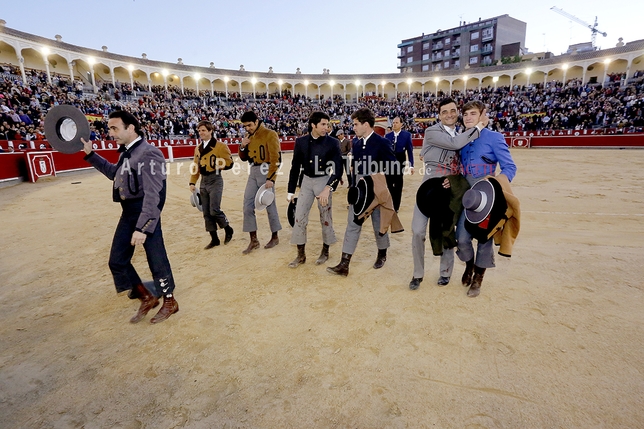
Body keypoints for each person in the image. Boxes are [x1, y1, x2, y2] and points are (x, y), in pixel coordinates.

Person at [81, 110, 178, 324]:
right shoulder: (127, 152)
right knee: (117, 260)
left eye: (115, 128)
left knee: (156, 258)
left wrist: (143, 227)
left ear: (130, 128)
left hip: (146, 211)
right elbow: (114, 174)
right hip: (128, 212)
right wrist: (91, 155)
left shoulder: (149, 153)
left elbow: (155, 194)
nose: (111, 133)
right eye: (109, 128)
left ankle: (170, 302)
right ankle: (146, 296)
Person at [409, 98, 488, 290]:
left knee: (447, 228)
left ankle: (445, 272)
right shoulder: (432, 131)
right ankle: (417, 273)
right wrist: (478, 126)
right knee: (417, 230)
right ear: (439, 115)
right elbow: (454, 144)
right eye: (444, 112)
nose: (449, 115)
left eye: (453, 111)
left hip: (450, 188)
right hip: (428, 188)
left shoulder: (463, 133)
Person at [327, 107, 398, 276]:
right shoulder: (356, 144)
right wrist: (353, 186)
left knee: (378, 224)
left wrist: (383, 187)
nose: (354, 127)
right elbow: (354, 169)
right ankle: (344, 264)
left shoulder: (382, 142)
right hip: (360, 192)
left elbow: (394, 168)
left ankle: (382, 253)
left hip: (377, 192)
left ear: (366, 124)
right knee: (352, 224)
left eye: (356, 124)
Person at [456, 100, 517, 297]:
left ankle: (478, 278)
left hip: (488, 195)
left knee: (484, 239)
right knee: (462, 238)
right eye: (465, 115)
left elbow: (510, 167)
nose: (468, 118)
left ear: (483, 115)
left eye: (473, 114)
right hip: (468, 196)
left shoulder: (494, 138)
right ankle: (469, 265)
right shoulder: (462, 138)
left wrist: (497, 184)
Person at [286, 112, 342, 268]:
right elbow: (295, 167)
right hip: (306, 181)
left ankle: (325, 251)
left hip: (324, 181)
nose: (327, 127)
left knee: (326, 217)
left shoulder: (333, 142)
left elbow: (338, 169)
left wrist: (328, 188)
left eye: (327, 124)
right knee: (299, 217)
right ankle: (301, 255)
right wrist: (291, 190)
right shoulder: (301, 142)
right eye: (323, 124)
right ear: (313, 125)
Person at [238, 110, 282, 254]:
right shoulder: (247, 136)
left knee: (269, 204)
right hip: (253, 170)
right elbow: (244, 158)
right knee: (247, 205)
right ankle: (254, 240)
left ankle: (275, 236)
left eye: (249, 125)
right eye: (245, 126)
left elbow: (276, 158)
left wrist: (271, 178)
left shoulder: (270, 134)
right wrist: (242, 146)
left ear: (257, 122)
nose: (247, 128)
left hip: (266, 170)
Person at [189, 120, 234, 249]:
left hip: (215, 179)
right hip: (204, 181)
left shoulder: (220, 146)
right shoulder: (197, 148)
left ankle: (228, 228)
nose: (200, 133)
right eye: (199, 130)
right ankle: (214, 239)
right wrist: (192, 182)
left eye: (203, 130)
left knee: (214, 209)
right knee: (206, 212)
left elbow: (229, 162)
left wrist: (221, 165)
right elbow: (196, 167)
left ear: (210, 131)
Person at [385, 116, 415, 211]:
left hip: (400, 160)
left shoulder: (407, 135)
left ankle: (396, 207)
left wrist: (411, 165)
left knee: (398, 184)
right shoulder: (388, 136)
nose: (394, 124)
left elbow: (409, 151)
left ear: (401, 124)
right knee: (388, 184)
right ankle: (390, 204)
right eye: (393, 122)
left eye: (396, 122)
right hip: (389, 161)